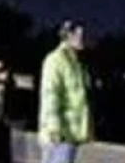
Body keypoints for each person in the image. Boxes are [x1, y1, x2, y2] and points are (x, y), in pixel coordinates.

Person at [38, 20, 94, 163]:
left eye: (83, 35)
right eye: (78, 35)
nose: (82, 38)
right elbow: (50, 94)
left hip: (71, 134)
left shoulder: (78, 64)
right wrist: (54, 128)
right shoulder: (55, 60)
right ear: (67, 36)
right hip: (59, 134)